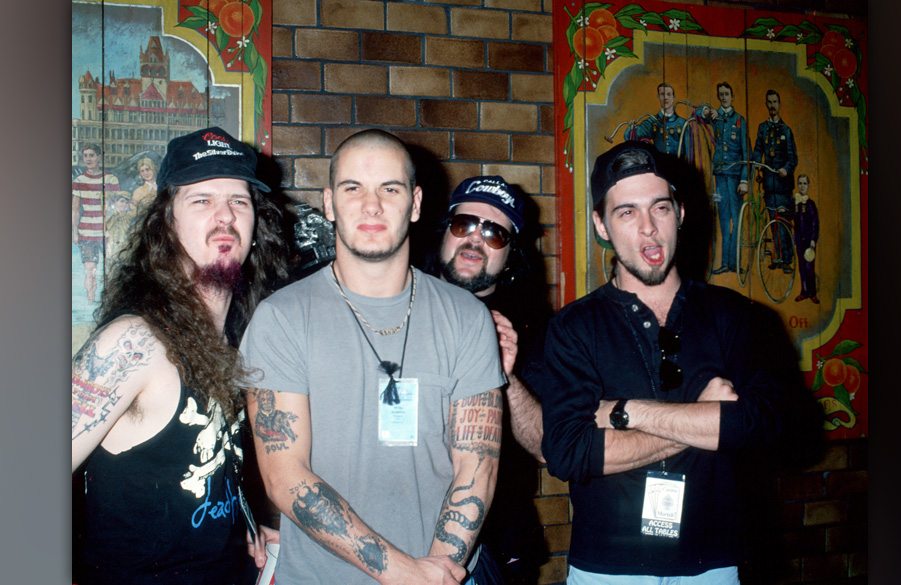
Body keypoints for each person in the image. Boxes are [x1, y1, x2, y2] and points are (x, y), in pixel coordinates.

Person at [238, 130, 505, 585]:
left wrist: (438, 572)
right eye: (353, 188)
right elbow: (286, 475)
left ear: (415, 204)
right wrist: (406, 574)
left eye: (390, 189)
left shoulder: (467, 317)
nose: (372, 205)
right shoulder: (280, 318)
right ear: (329, 203)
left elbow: (477, 465)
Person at [535, 140, 799, 584]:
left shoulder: (735, 315)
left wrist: (625, 412)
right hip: (607, 567)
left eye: (659, 208)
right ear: (601, 225)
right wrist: (704, 418)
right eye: (627, 212)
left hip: (713, 565)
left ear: (680, 213)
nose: (648, 229)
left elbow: (765, 424)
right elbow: (568, 452)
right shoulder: (573, 327)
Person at [71, 127, 287, 584]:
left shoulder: (232, 338)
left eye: (239, 200)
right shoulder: (134, 343)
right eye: (202, 200)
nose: (225, 215)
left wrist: (244, 529)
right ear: (166, 223)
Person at [431, 176, 550, 583]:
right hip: (401, 536)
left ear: (511, 253)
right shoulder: (401, 304)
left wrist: (506, 374)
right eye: (464, 224)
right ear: (444, 232)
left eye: (494, 233)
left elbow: (544, 447)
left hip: (499, 547)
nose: (475, 240)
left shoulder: (531, 327)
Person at [701, 82, 749, 275]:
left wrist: (744, 180)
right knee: (723, 220)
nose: (724, 97)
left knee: (736, 221)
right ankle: (725, 263)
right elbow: (700, 115)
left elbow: (746, 151)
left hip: (736, 178)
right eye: (721, 94)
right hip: (720, 176)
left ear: (732, 96)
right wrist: (706, 111)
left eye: (727, 94)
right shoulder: (716, 118)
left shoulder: (739, 120)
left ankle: (735, 263)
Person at [752, 89, 798, 272]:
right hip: (769, 185)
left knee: (783, 224)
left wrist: (786, 169)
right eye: (769, 102)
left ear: (779, 105)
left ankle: (787, 260)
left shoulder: (786, 131)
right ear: (766, 104)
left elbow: (793, 158)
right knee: (773, 223)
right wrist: (757, 162)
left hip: (783, 187)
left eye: (775, 102)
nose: (772, 106)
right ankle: (778, 257)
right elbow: (758, 149)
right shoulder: (763, 128)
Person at [72, 143, 120, 302]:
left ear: (99, 157)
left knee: (111, 269)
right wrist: (75, 233)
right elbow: (75, 209)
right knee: (90, 270)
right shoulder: (79, 180)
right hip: (86, 232)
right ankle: (90, 301)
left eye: (91, 155)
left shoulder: (111, 179)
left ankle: (110, 302)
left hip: (107, 232)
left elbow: (116, 207)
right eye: (85, 156)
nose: (88, 159)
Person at [631, 83, 687, 157]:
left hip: (679, 164)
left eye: (669, 94)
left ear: (674, 98)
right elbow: (631, 135)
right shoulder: (652, 121)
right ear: (658, 97)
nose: (665, 98)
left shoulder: (683, 123)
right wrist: (632, 127)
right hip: (659, 163)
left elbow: (690, 153)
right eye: (662, 94)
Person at [793, 174, 820, 303]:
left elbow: (815, 223)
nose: (802, 186)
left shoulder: (811, 204)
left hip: (809, 242)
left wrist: (813, 239)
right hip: (799, 240)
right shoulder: (795, 202)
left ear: (808, 185)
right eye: (800, 183)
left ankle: (812, 293)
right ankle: (803, 292)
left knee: (810, 268)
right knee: (802, 267)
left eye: (804, 183)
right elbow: (790, 215)